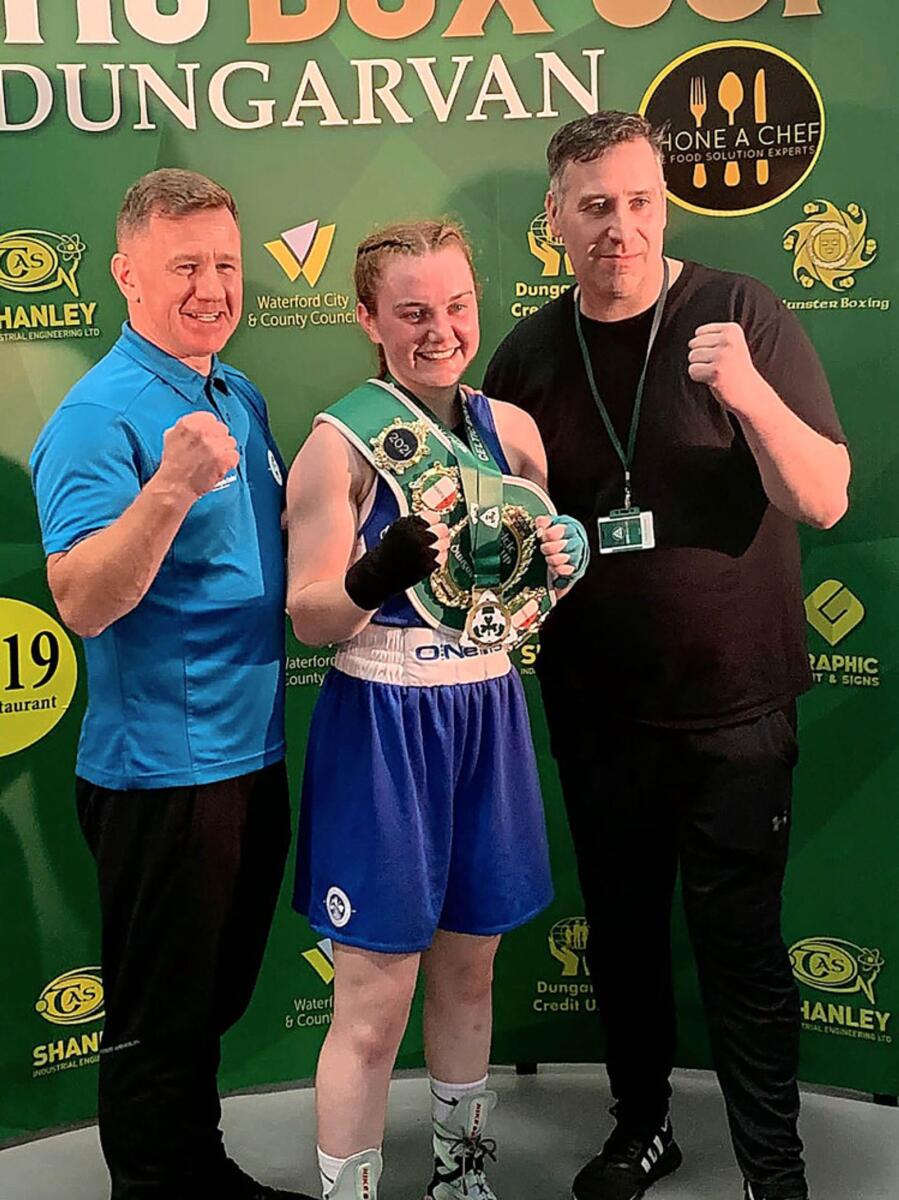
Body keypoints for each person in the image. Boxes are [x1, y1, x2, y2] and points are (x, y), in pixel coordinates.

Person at [483, 112, 850, 1200]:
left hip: (736, 707)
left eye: (640, 201)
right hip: (599, 711)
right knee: (625, 942)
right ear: (553, 218)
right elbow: (505, 540)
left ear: (665, 205)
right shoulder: (525, 356)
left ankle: (772, 1170)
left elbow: (822, 498)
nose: (620, 226)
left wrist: (746, 393)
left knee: (741, 949)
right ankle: (641, 1129)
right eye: (594, 205)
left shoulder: (743, 313)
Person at [286, 219, 589, 1200]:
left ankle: (463, 1179)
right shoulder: (338, 447)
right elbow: (309, 618)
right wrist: (371, 574)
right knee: (373, 1005)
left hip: (486, 710)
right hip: (383, 720)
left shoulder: (515, 432)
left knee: (470, 975)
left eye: (456, 306)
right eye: (412, 311)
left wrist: (558, 562)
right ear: (367, 318)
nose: (440, 330)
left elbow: (525, 597)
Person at [30, 169, 313, 1200]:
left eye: (225, 265)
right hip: (162, 772)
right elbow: (81, 599)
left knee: (208, 1004)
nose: (211, 287)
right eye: (184, 265)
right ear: (126, 275)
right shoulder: (96, 415)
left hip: (249, 754)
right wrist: (168, 488)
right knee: (158, 1021)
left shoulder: (236, 392)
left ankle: (198, 1171)